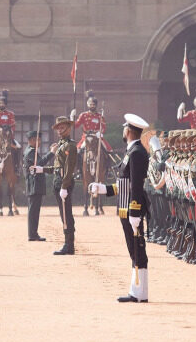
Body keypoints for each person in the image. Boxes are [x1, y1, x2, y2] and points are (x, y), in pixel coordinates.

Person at [90, 113, 152, 303]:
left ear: (129, 131)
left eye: (125, 128)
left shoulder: (137, 153)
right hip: (126, 208)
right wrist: (104, 189)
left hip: (131, 209)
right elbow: (124, 184)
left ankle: (139, 292)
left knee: (137, 249)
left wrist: (135, 211)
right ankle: (137, 291)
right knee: (134, 250)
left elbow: (136, 185)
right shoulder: (131, 152)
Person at [33, 116, 78, 255]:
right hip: (58, 182)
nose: (60, 130)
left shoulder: (70, 145)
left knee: (66, 215)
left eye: (62, 127)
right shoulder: (61, 144)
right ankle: (68, 243)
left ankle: (68, 245)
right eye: (58, 128)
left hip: (64, 184)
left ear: (69, 128)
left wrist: (65, 186)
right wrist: (42, 169)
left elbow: (69, 169)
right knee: (63, 214)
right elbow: (58, 168)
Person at [24, 130, 51, 242]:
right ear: (31, 140)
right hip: (34, 185)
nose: (39, 141)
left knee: (35, 211)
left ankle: (33, 233)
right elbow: (40, 163)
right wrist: (52, 152)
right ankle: (32, 234)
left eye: (40, 139)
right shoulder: (31, 152)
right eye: (37, 139)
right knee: (33, 211)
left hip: (36, 185)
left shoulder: (33, 151)